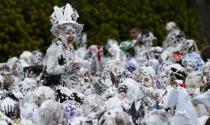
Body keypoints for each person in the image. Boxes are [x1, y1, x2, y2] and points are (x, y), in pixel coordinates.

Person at [44, 3, 84, 87]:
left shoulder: (70, 48)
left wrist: (77, 67)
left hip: (66, 86)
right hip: (52, 87)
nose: (71, 35)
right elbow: (50, 70)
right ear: (59, 34)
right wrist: (66, 67)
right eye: (67, 33)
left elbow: (70, 71)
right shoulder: (55, 48)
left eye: (73, 32)